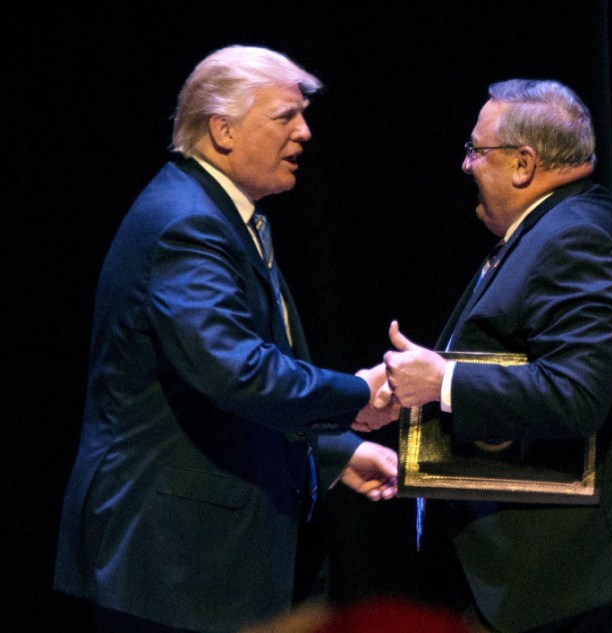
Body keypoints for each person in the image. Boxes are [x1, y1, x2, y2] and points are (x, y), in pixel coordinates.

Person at [53, 45, 400, 633]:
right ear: (222, 130)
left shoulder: (222, 214)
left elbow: (213, 404)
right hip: (172, 564)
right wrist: (357, 394)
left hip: (197, 561)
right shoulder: (187, 223)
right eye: (285, 116)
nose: (305, 132)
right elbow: (235, 372)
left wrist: (334, 454)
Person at [380, 80, 612, 632]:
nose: (467, 165)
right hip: (537, 582)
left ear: (523, 163)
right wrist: (406, 385)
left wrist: (442, 381)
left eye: (476, 150)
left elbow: (575, 396)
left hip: (568, 583)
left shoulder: (578, 236)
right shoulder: (549, 227)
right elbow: (507, 356)